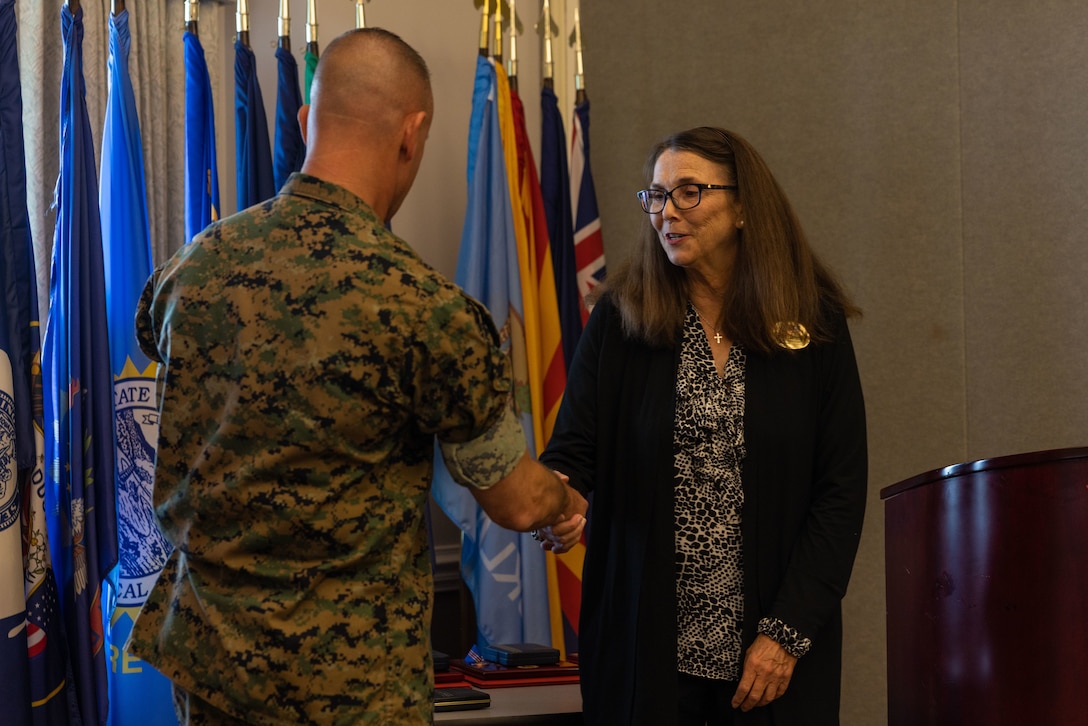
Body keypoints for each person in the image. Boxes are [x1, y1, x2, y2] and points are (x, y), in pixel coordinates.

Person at [129, 28, 585, 725]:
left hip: (211, 670)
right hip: (348, 690)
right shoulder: (425, 310)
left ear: (308, 121)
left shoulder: (189, 271)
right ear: (413, 133)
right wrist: (564, 503)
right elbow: (516, 504)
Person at [537, 126, 867, 725]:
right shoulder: (622, 317)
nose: (667, 212)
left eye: (689, 192)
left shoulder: (811, 322)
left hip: (770, 648)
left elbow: (840, 491)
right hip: (646, 640)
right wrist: (560, 500)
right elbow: (575, 448)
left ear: (742, 206)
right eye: (657, 196)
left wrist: (787, 633)